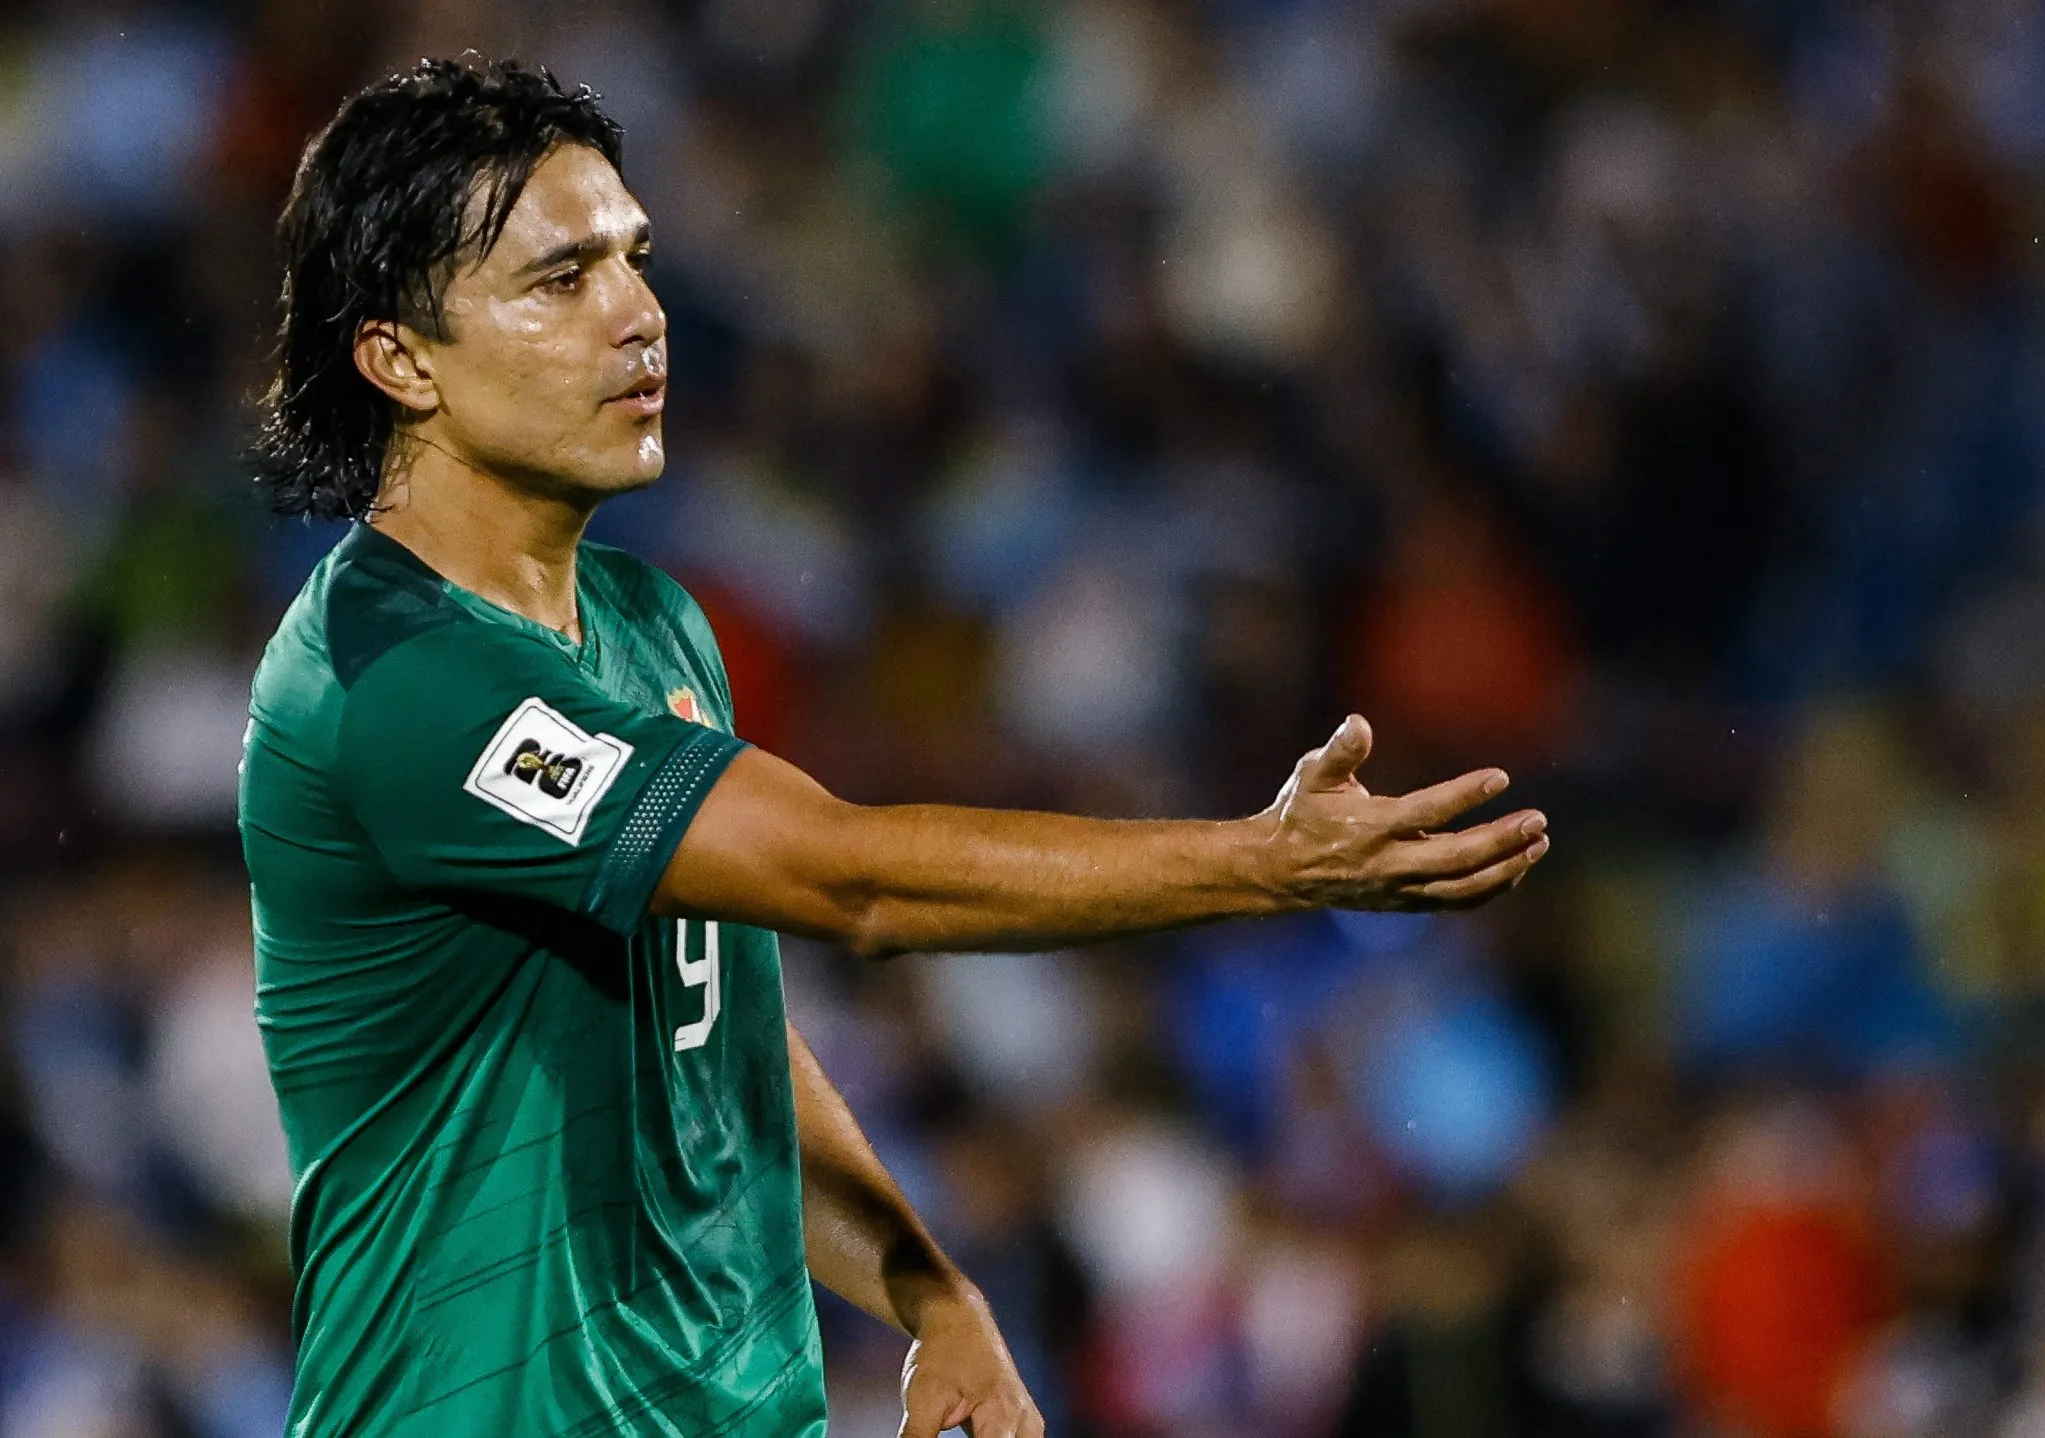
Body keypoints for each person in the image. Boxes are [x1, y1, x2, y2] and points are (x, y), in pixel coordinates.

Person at [236, 57, 1549, 1438]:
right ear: (400, 358)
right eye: (563, 281)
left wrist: (927, 1288)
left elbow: (720, 1034)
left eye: (635, 260)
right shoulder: (395, 676)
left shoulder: (649, 623)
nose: (640, 315)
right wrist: (1262, 865)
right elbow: (848, 880)